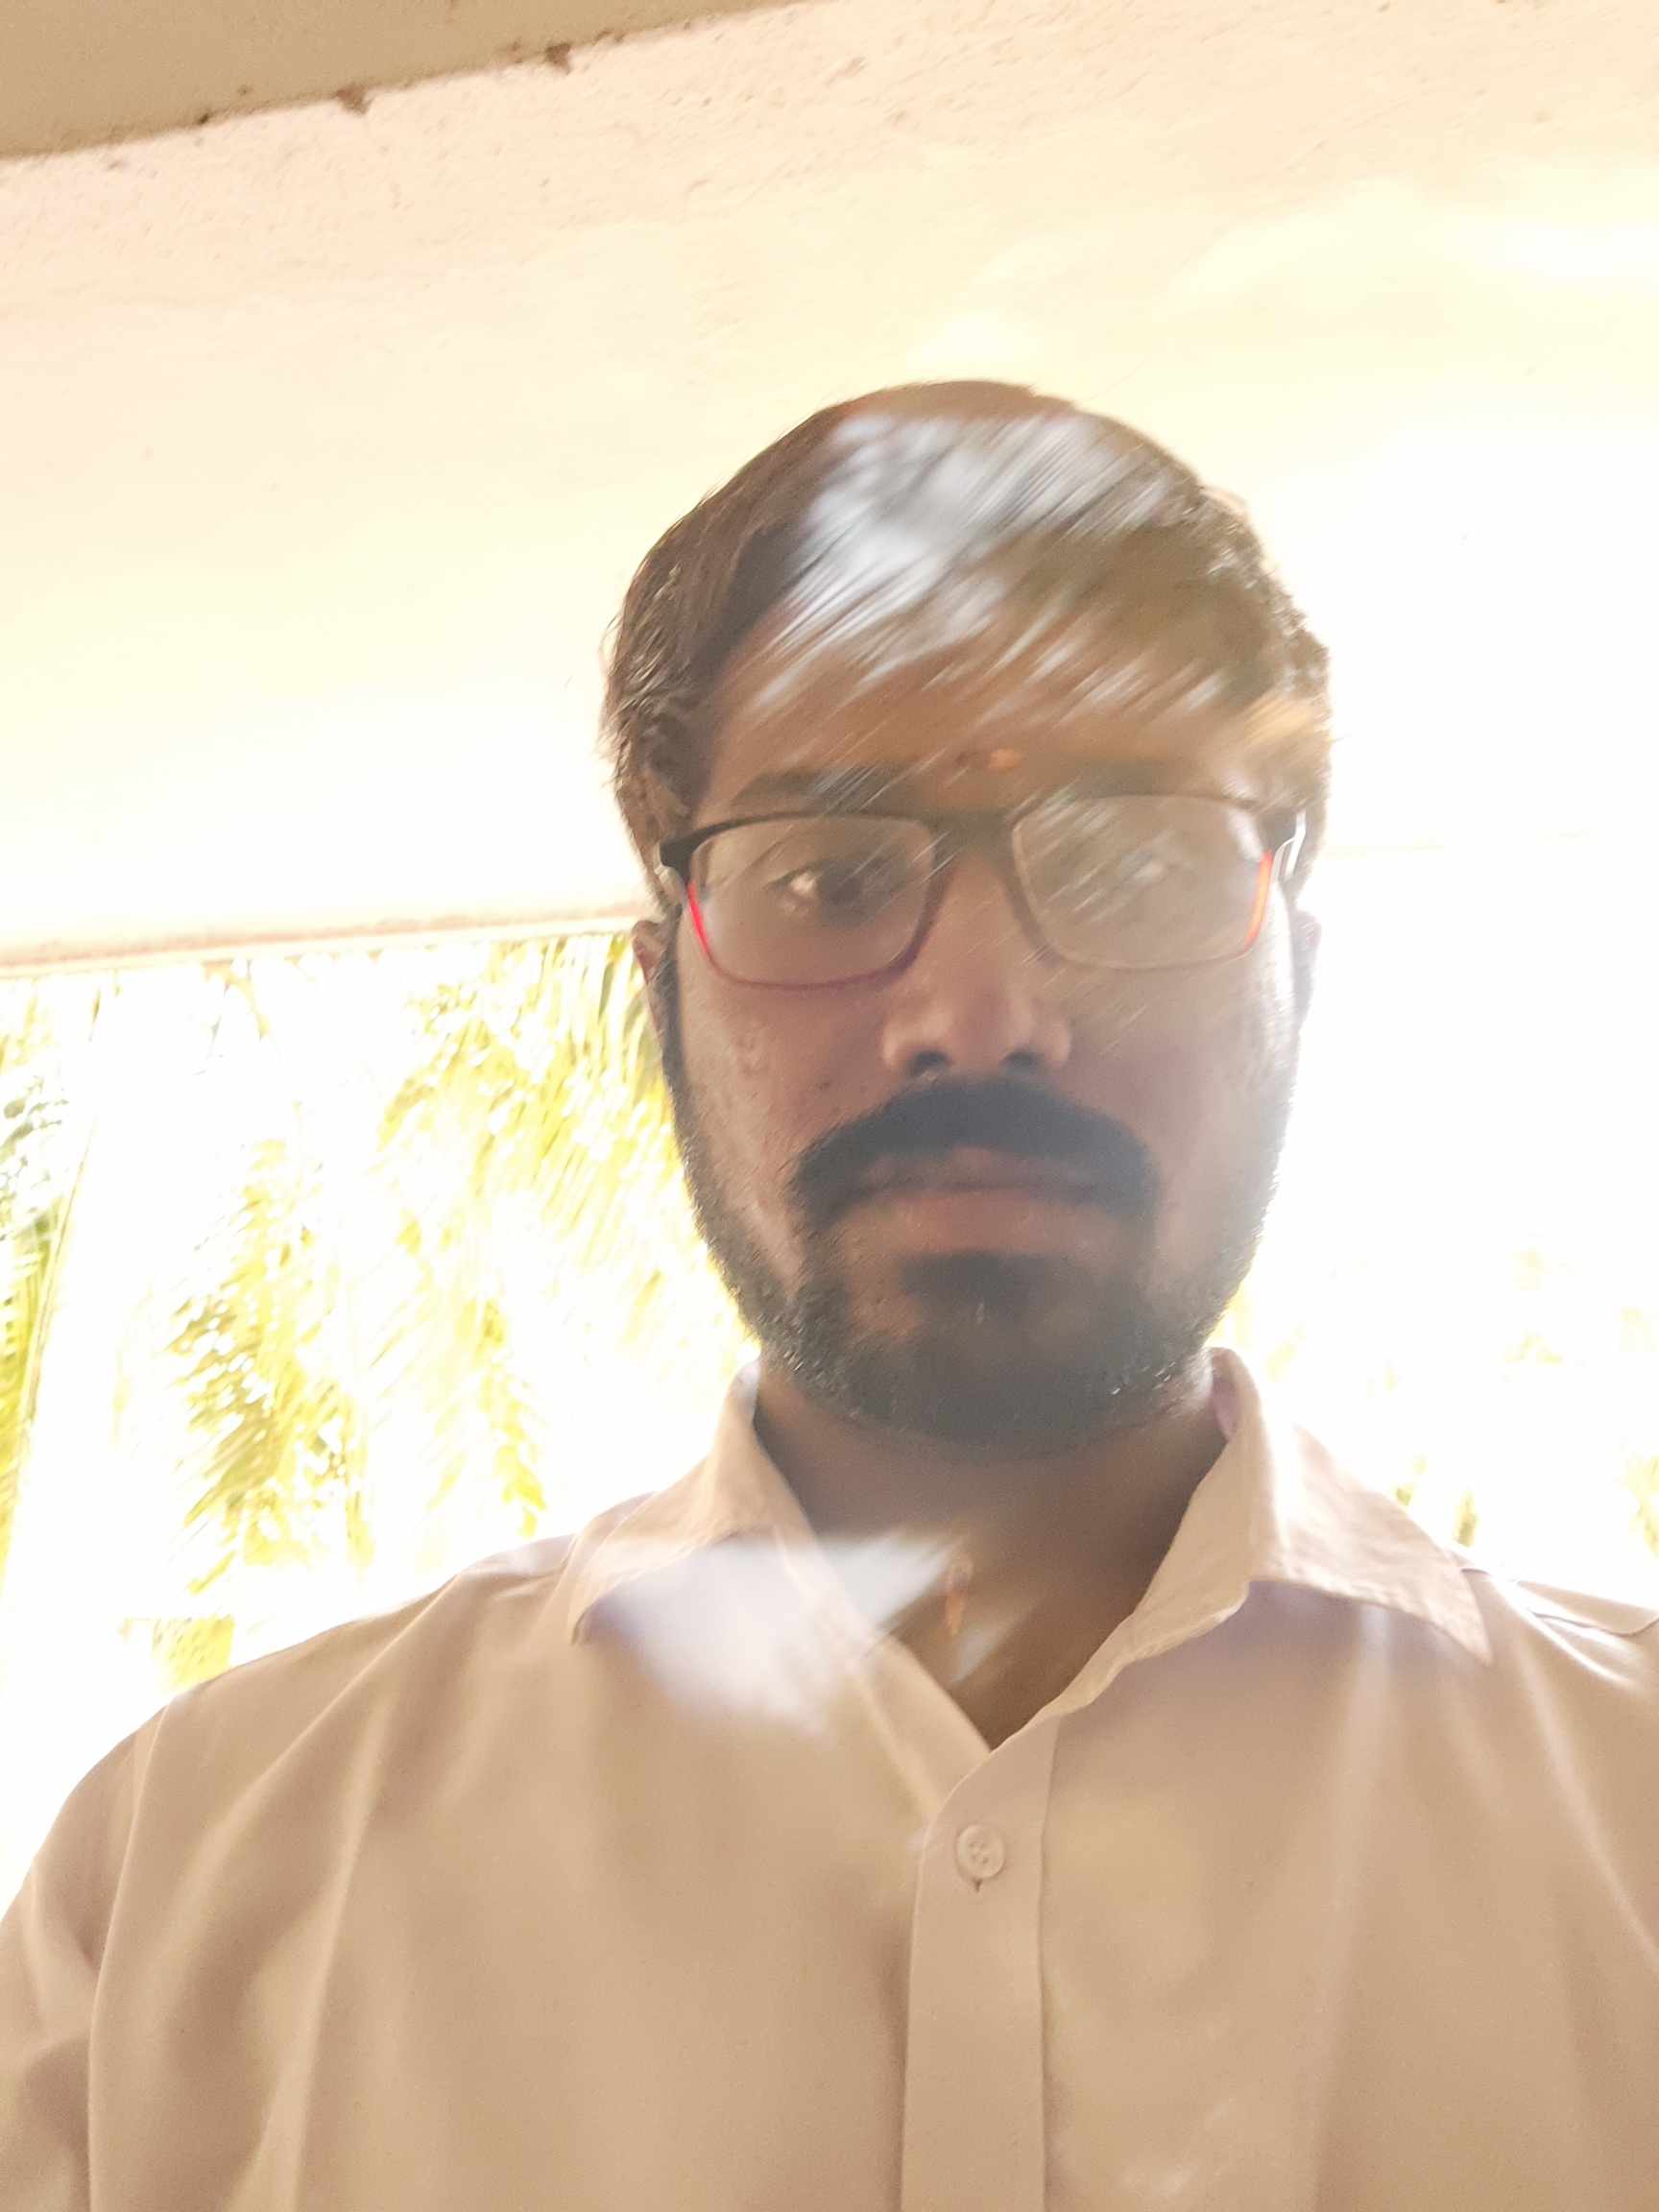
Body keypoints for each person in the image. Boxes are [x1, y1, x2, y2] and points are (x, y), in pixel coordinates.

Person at [2, 383, 1654, 2210]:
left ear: (1299, 985)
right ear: (663, 1001)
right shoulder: (181, 1888)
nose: (983, 1013)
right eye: (829, 875)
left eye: (1131, 861)